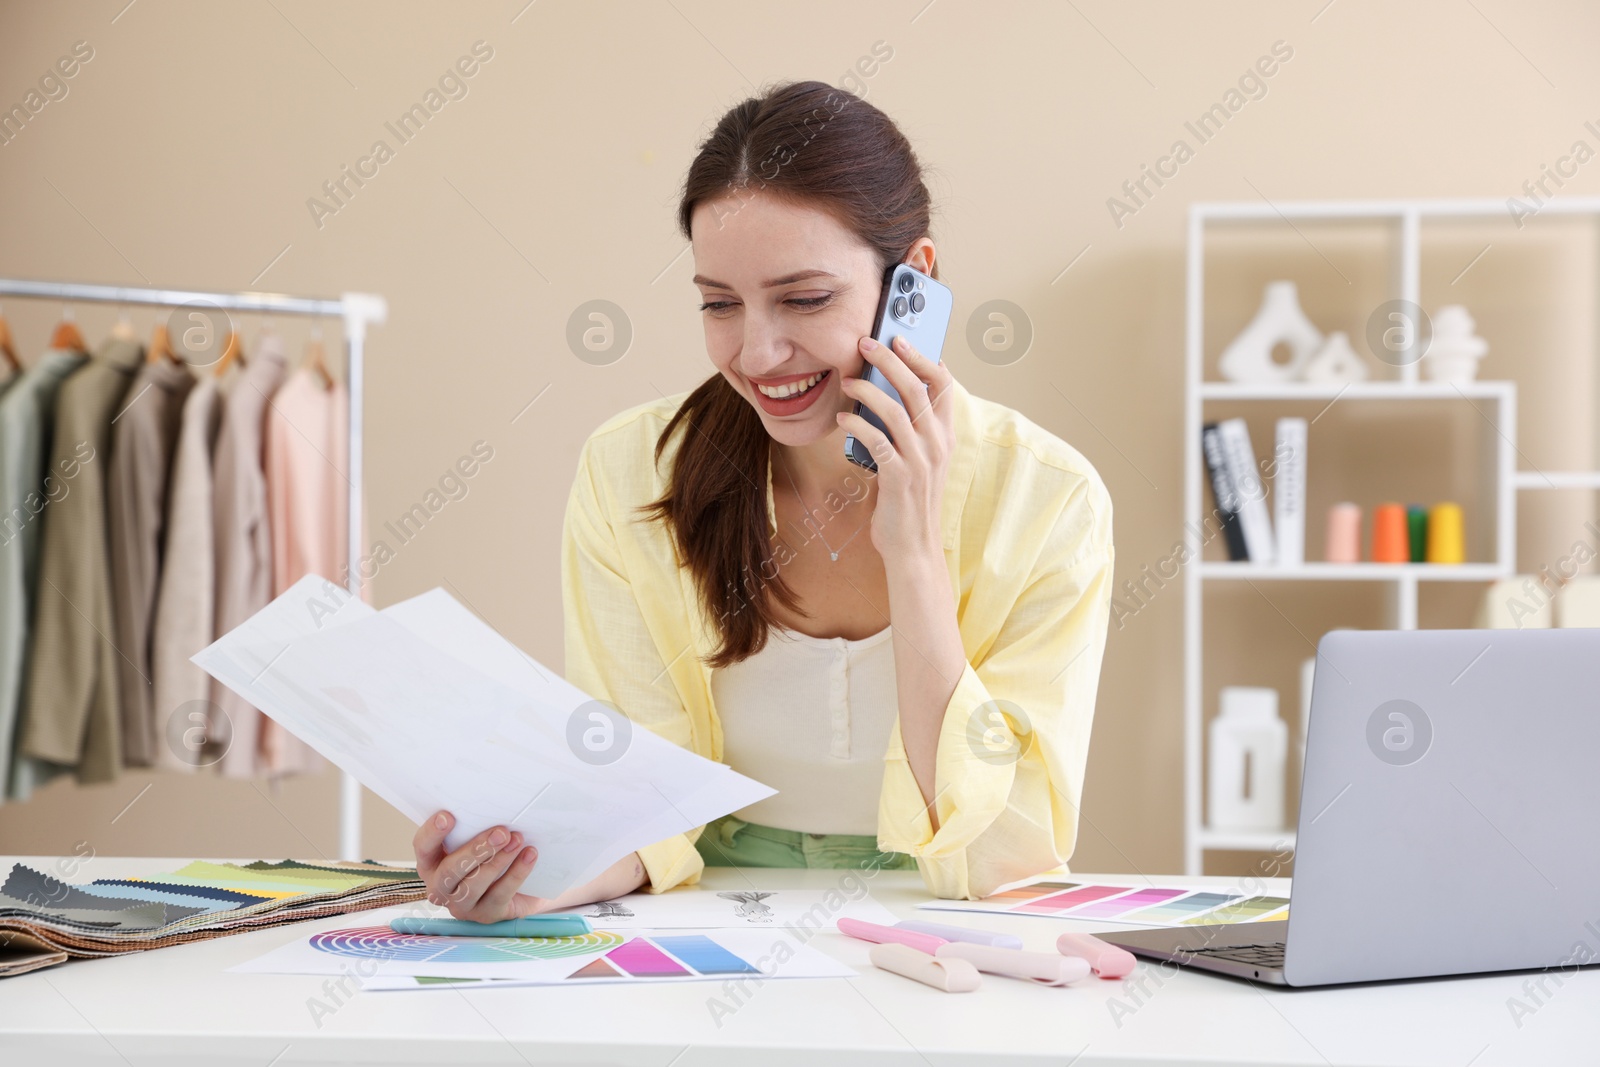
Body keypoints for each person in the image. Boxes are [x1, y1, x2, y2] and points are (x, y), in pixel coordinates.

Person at [414, 79, 1114, 921]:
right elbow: (638, 787)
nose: (758, 351)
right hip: (711, 911)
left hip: (946, 921)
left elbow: (1004, 850)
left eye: (804, 298)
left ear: (913, 284)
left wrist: (916, 557)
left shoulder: (1049, 500)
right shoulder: (633, 471)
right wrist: (545, 879)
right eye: (719, 303)